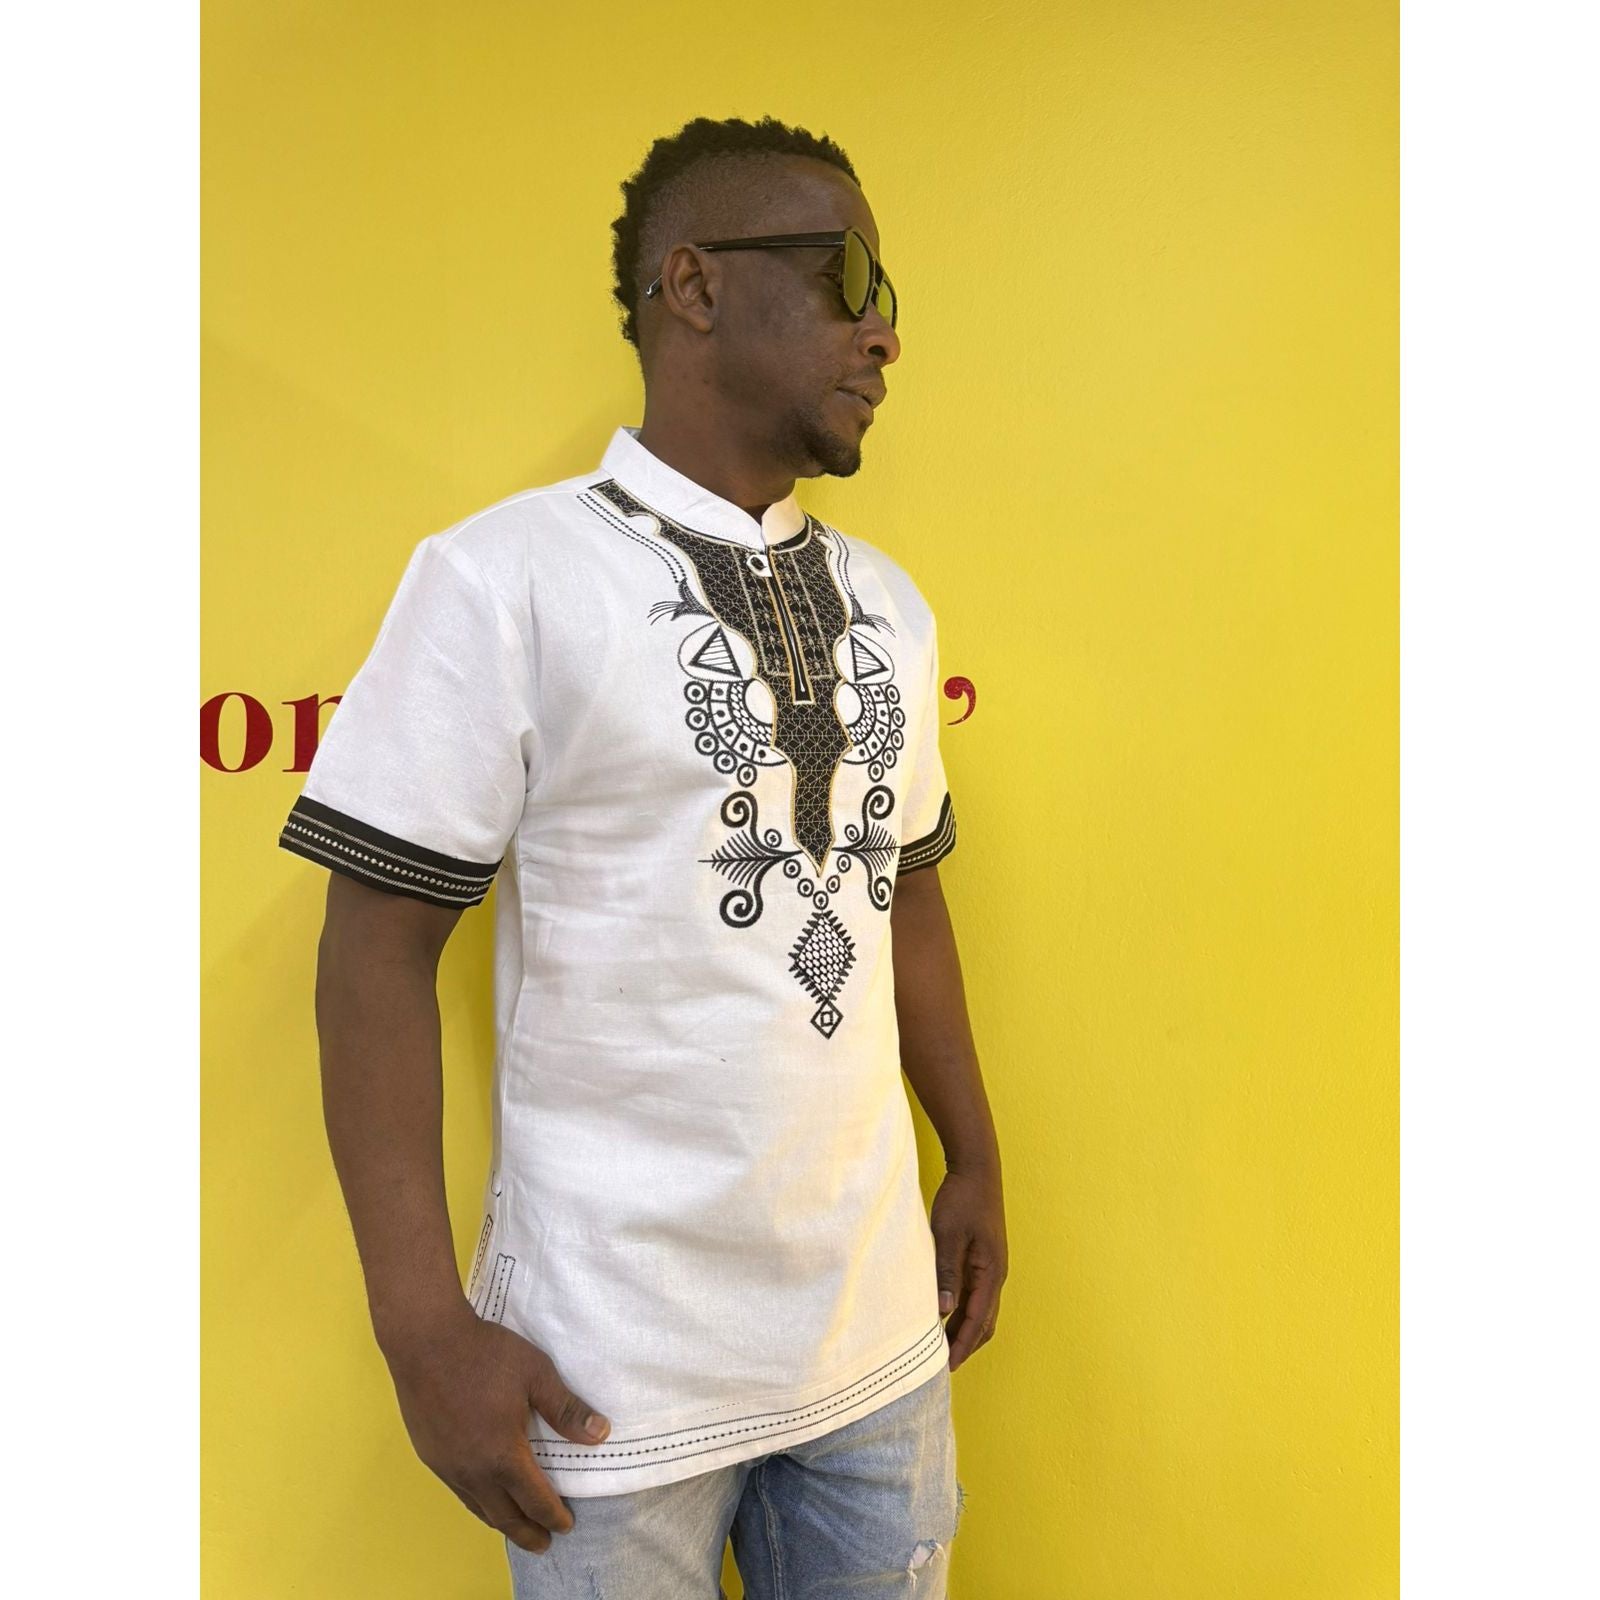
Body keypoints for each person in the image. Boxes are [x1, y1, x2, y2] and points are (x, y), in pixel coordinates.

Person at [278, 113, 1007, 1599]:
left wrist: (977, 1155)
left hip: (876, 1346)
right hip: (606, 1383)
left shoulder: (889, 603)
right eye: (849, 279)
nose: (883, 333)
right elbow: (373, 957)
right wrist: (421, 1332)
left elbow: (906, 899)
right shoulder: (506, 580)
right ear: (694, 286)